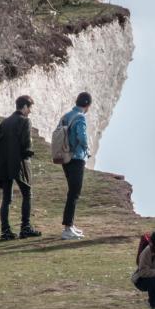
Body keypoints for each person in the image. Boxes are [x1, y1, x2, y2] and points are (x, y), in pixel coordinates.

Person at [0, 95, 41, 240]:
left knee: (6, 199)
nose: (30, 111)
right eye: (30, 108)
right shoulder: (25, 121)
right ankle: (25, 228)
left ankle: (5, 231)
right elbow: (26, 145)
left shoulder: (4, 123)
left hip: (4, 164)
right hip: (19, 163)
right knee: (27, 193)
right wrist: (29, 153)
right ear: (25, 107)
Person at [58, 92, 92, 240]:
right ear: (87, 105)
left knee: (72, 192)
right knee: (74, 193)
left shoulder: (66, 116)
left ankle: (70, 225)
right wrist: (87, 150)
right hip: (77, 158)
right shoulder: (80, 117)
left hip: (65, 157)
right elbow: (82, 137)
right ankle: (67, 229)